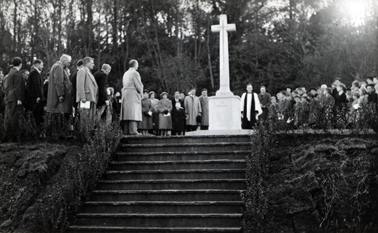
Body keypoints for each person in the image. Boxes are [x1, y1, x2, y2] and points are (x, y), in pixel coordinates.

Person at [46, 54, 73, 136]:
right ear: (64, 61)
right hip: (58, 97)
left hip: (55, 96)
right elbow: (59, 81)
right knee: (59, 115)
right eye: (69, 62)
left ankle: (56, 134)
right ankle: (58, 135)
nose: (69, 64)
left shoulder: (56, 66)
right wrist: (61, 94)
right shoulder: (59, 67)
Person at [2, 57, 25, 142]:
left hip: (9, 97)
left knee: (9, 117)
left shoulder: (10, 72)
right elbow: (18, 87)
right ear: (21, 64)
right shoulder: (18, 73)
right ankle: (14, 138)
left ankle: (7, 136)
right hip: (15, 97)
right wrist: (19, 99)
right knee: (15, 118)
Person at [120, 59, 143, 135]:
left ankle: (127, 130)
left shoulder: (126, 73)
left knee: (127, 113)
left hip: (126, 93)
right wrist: (141, 93)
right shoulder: (135, 73)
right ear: (135, 65)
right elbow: (138, 85)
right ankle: (133, 130)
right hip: (133, 93)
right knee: (133, 112)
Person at [76, 57, 98, 131]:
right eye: (92, 63)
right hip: (86, 99)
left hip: (91, 98)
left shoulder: (88, 72)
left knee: (90, 119)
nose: (93, 65)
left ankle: (88, 136)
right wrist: (83, 97)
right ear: (87, 63)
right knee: (85, 119)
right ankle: (85, 137)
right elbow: (80, 85)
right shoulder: (82, 71)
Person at [27, 59, 45, 127]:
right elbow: (36, 85)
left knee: (37, 115)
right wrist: (38, 96)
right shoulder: (34, 72)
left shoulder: (34, 72)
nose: (42, 66)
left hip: (35, 97)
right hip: (35, 98)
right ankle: (36, 131)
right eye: (41, 65)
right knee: (36, 115)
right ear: (37, 64)